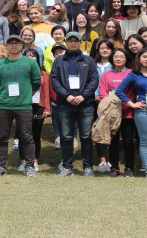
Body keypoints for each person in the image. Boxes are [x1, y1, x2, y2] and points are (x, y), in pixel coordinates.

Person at [0, 35, 42, 177]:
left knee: (27, 136)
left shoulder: (30, 63)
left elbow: (37, 81)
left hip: (24, 106)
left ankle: (29, 166)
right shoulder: (0, 64)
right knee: (2, 137)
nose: (14, 45)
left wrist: (27, 94)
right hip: (4, 105)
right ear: (6, 45)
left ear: (22, 45)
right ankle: (1, 167)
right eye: (10, 43)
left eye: (17, 43)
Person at [52, 32, 100, 177]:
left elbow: (94, 79)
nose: (73, 43)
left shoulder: (88, 60)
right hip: (65, 103)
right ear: (66, 42)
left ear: (80, 43)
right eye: (70, 41)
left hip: (85, 104)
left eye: (76, 41)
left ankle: (88, 167)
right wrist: (66, 96)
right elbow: (54, 80)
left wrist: (83, 96)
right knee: (66, 136)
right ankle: (67, 166)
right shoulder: (59, 61)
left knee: (86, 136)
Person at [116, 49, 147, 179]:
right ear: (139, 59)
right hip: (144, 111)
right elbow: (119, 91)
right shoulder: (134, 75)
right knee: (145, 142)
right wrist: (132, 104)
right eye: (144, 57)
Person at [94, 48, 135, 177]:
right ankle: (114, 168)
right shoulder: (107, 74)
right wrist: (111, 107)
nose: (118, 58)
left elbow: (132, 92)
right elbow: (103, 92)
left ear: (126, 58)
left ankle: (129, 168)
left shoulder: (131, 73)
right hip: (110, 113)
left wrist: (123, 106)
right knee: (113, 141)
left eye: (121, 56)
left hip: (127, 112)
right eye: (116, 56)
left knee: (128, 140)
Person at [18, 49, 51, 173]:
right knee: (23, 135)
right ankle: (23, 162)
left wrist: (47, 109)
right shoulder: (19, 72)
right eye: (28, 56)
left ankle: (35, 162)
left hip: (38, 106)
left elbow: (46, 93)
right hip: (22, 105)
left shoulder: (43, 74)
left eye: (34, 56)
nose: (31, 58)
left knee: (35, 136)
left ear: (38, 58)